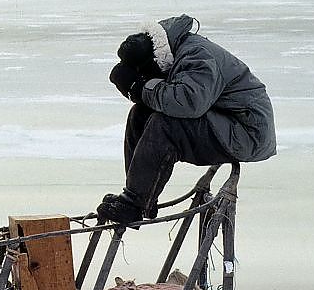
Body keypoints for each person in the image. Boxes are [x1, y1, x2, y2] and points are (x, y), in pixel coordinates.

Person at [98, 14, 276, 224]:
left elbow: (189, 102)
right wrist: (140, 90)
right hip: (226, 122)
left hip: (246, 133)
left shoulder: (196, 56)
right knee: (141, 114)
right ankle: (140, 197)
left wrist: (140, 87)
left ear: (154, 59)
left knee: (164, 124)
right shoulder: (173, 50)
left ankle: (135, 203)